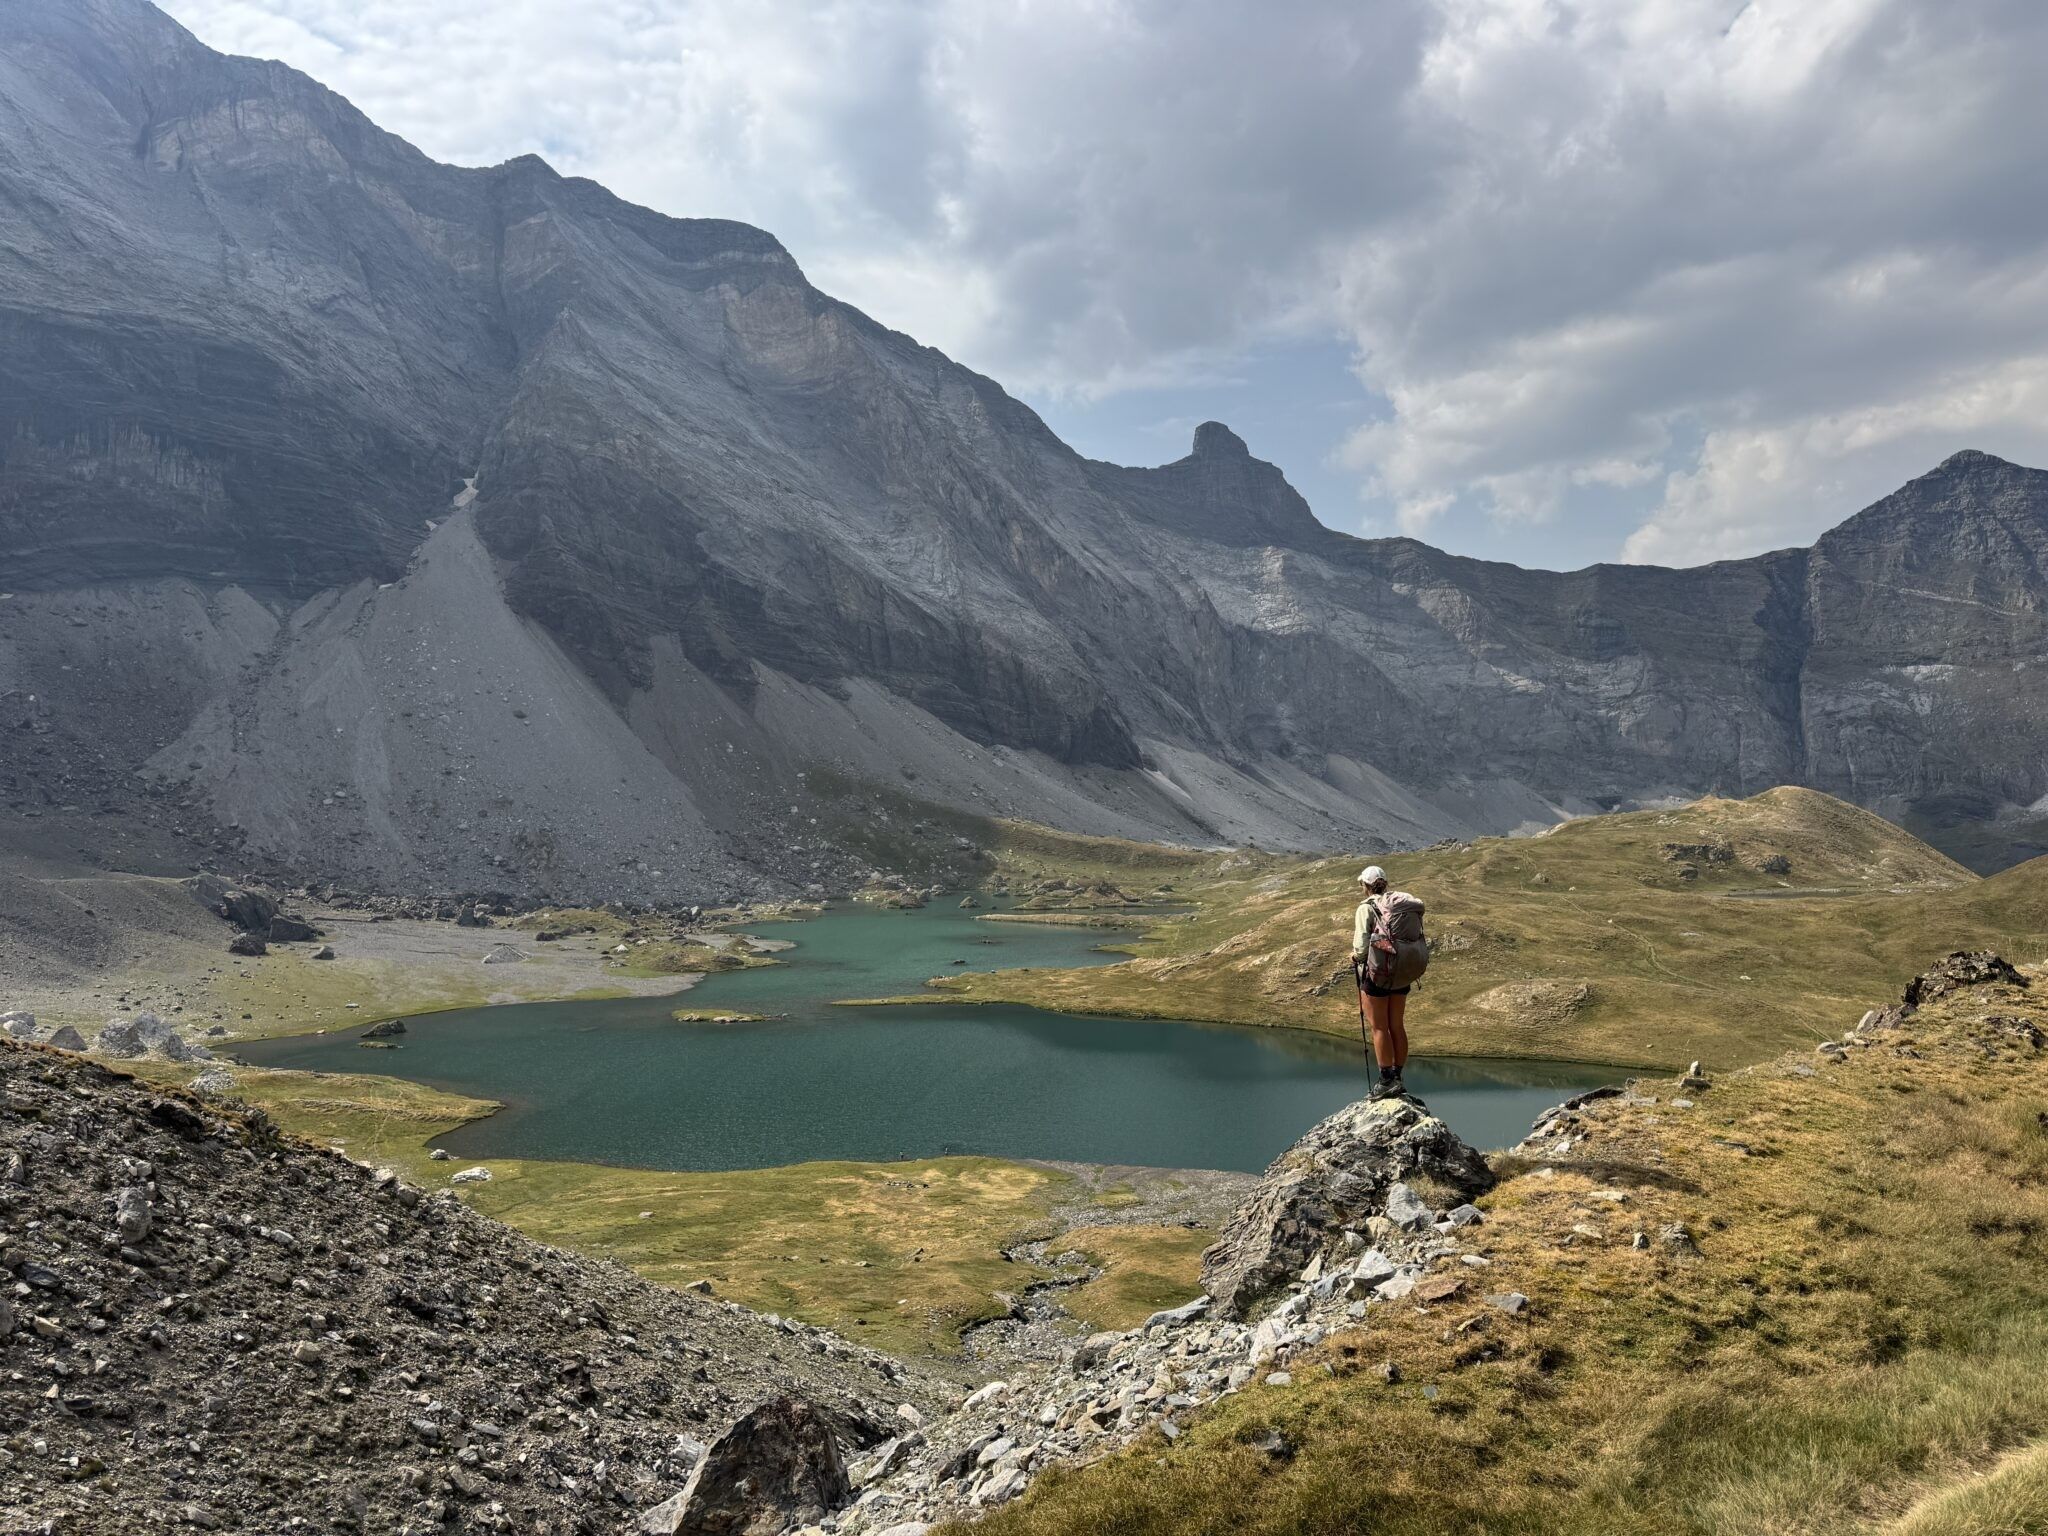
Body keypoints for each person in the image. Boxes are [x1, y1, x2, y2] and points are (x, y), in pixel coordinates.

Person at [1350, 865, 1410, 1100]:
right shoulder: (1398, 905)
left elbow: (1361, 949)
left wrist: (1355, 957)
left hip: (1377, 975)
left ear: (1365, 885)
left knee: (1379, 1027)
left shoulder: (1366, 907)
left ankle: (1386, 1080)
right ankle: (1398, 1076)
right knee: (1397, 1026)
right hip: (1400, 973)